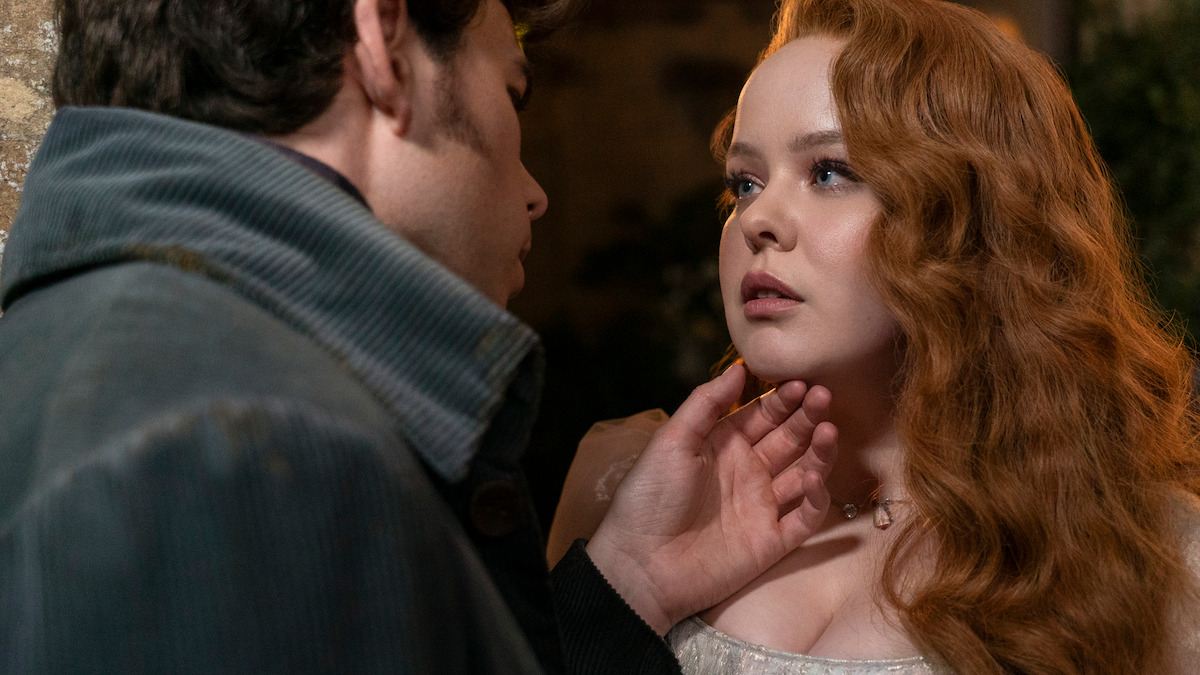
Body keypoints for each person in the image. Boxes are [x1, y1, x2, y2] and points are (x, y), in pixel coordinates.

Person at [0, 0, 842, 671]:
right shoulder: (236, 449)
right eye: (513, 90)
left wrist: (627, 586)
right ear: (384, 44)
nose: (536, 190)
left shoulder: (103, 355)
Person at [549, 0, 1200, 671]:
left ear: (972, 221)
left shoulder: (1151, 553)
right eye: (744, 182)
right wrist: (627, 583)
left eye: (829, 172)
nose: (758, 220)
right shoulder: (626, 494)